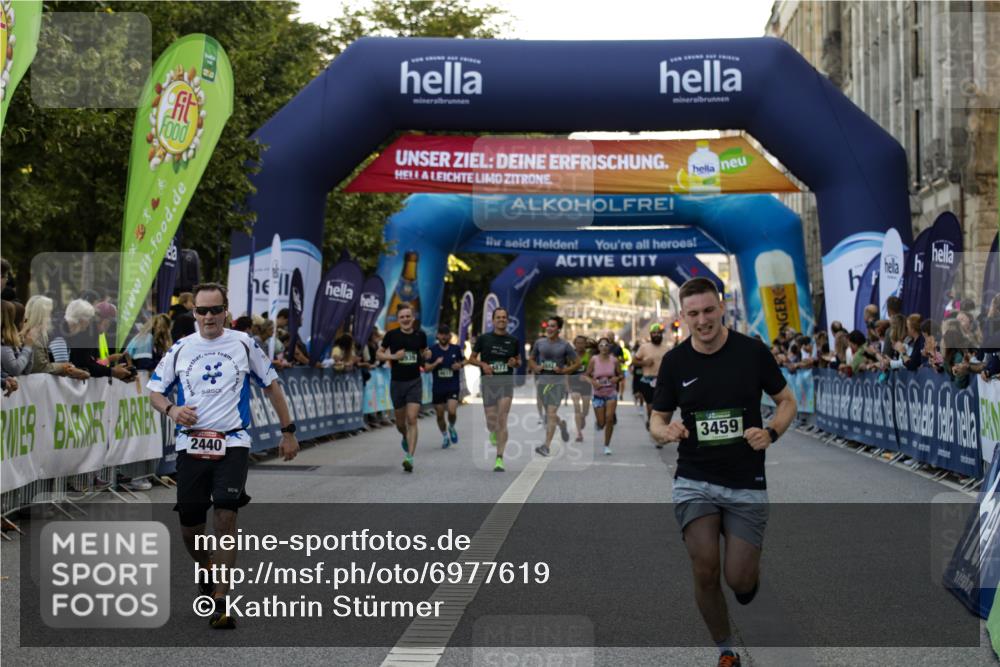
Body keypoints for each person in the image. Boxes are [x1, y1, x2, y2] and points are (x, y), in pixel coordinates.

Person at [649, 277, 796, 667]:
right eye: (693, 313)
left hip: (746, 480)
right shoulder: (675, 362)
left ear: (721, 308)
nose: (703, 320)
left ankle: (748, 581)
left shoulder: (751, 352)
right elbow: (656, 419)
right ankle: (726, 650)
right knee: (705, 568)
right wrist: (666, 431)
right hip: (695, 479)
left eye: (709, 310)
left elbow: (786, 401)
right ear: (683, 317)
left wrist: (771, 432)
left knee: (740, 580)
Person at [147, 282, 299, 630]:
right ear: (194, 313)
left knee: (226, 519)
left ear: (226, 311)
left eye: (216, 310)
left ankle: (221, 599)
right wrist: (172, 410)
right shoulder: (182, 348)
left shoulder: (244, 343)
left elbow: (272, 384)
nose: (210, 316)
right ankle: (206, 566)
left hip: (233, 442)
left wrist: (288, 431)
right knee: (190, 528)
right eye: (203, 310)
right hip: (191, 444)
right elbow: (154, 391)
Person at [377, 304, 428, 473]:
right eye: (402, 317)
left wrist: (427, 354)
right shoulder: (392, 335)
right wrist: (393, 356)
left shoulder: (420, 335)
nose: (406, 319)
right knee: (400, 423)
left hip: (415, 381)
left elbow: (425, 351)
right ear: (398, 319)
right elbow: (379, 353)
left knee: (412, 418)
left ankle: (409, 457)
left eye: (408, 316)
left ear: (413, 318)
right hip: (397, 383)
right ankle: (404, 435)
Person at [469, 308, 522, 472]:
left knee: (502, 419)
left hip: (505, 383)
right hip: (489, 384)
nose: (501, 320)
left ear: (507, 320)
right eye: (498, 317)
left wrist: (515, 363)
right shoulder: (484, 339)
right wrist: (483, 365)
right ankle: (492, 432)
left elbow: (518, 361)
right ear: (493, 321)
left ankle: (499, 458)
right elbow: (471, 358)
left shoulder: (513, 340)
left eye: (504, 317)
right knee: (491, 422)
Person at [529, 316, 578, 457]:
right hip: (543, 382)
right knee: (550, 414)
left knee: (550, 414)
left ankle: (546, 446)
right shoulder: (539, 343)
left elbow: (577, 363)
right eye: (548, 326)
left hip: (557, 383)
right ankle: (561, 424)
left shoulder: (565, 345)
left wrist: (564, 371)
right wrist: (536, 367)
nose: (549, 328)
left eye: (553, 326)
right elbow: (531, 359)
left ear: (558, 329)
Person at [20, 295, 89, 379]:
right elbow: (40, 367)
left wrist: (66, 368)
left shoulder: (39, 334)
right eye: (49, 313)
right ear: (41, 314)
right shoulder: (34, 335)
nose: (51, 317)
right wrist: (64, 366)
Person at [426, 324, 464, 449]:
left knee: (452, 411)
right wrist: (436, 363)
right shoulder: (432, 350)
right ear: (438, 335)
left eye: (446, 334)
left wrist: (460, 365)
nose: (443, 336)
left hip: (452, 385)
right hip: (438, 387)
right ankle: (445, 436)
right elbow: (426, 369)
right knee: (440, 415)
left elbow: (464, 360)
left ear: (449, 336)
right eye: (441, 334)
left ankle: (451, 427)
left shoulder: (456, 349)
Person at [585, 337, 623, 456]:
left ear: (609, 347)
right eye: (601, 345)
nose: (604, 347)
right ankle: (599, 424)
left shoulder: (614, 360)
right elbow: (586, 375)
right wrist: (594, 382)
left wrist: (617, 378)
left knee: (610, 419)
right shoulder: (594, 360)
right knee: (602, 423)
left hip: (611, 393)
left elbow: (621, 375)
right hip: (598, 395)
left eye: (606, 345)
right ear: (598, 347)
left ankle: (607, 445)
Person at [634, 323, 670, 436]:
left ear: (661, 335)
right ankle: (651, 421)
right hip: (648, 381)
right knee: (651, 407)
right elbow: (634, 362)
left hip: (662, 381)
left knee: (660, 408)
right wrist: (644, 362)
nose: (656, 335)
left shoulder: (667, 348)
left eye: (658, 333)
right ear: (650, 335)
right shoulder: (644, 347)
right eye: (654, 333)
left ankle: (657, 429)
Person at [567, 335, 593, 442]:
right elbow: (566, 371)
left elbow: (592, 371)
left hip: (586, 385)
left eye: (582, 343)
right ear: (575, 344)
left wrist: (588, 377)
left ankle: (583, 417)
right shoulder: (570, 356)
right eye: (578, 343)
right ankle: (579, 433)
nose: (580, 345)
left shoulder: (589, 355)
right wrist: (567, 386)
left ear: (585, 344)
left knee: (585, 410)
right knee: (576, 407)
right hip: (574, 383)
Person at [1, 300, 32, 377]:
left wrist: (28, 346)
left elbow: (26, 370)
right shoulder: (4, 343)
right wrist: (27, 347)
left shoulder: (14, 342)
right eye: (25, 320)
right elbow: (15, 370)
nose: (26, 323)